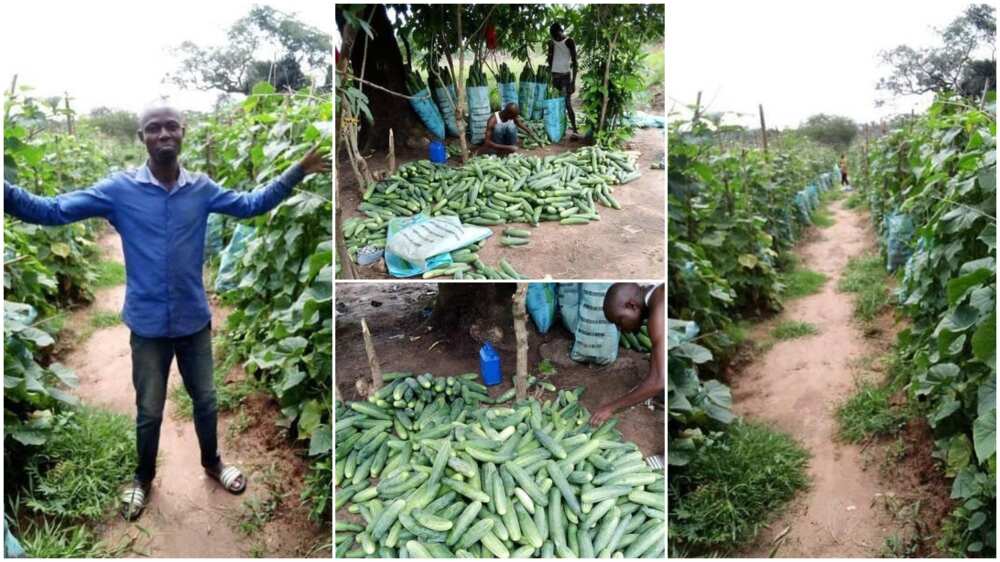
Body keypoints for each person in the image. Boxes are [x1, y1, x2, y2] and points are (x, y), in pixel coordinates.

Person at [3, 104, 329, 520]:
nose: (163, 135)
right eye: (153, 129)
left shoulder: (202, 189)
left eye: (170, 127)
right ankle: (142, 479)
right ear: (141, 137)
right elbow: (51, 211)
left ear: (183, 133)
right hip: (148, 325)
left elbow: (251, 205)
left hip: (194, 320)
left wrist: (296, 171)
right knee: (150, 410)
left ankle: (212, 464)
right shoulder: (119, 191)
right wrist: (7, 192)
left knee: (207, 401)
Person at [591, 283, 664, 425]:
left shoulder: (658, 318)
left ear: (631, 305)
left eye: (619, 321)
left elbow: (658, 381)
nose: (620, 329)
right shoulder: (658, 295)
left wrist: (611, 408)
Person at [546, 22, 579, 133]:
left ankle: (574, 128)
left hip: (565, 77)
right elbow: (550, 61)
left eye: (556, 34)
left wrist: (573, 82)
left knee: (567, 103)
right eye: (553, 36)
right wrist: (550, 76)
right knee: (556, 103)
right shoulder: (552, 43)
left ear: (561, 31)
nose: (555, 37)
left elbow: (575, 63)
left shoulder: (569, 42)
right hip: (555, 78)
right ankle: (559, 128)